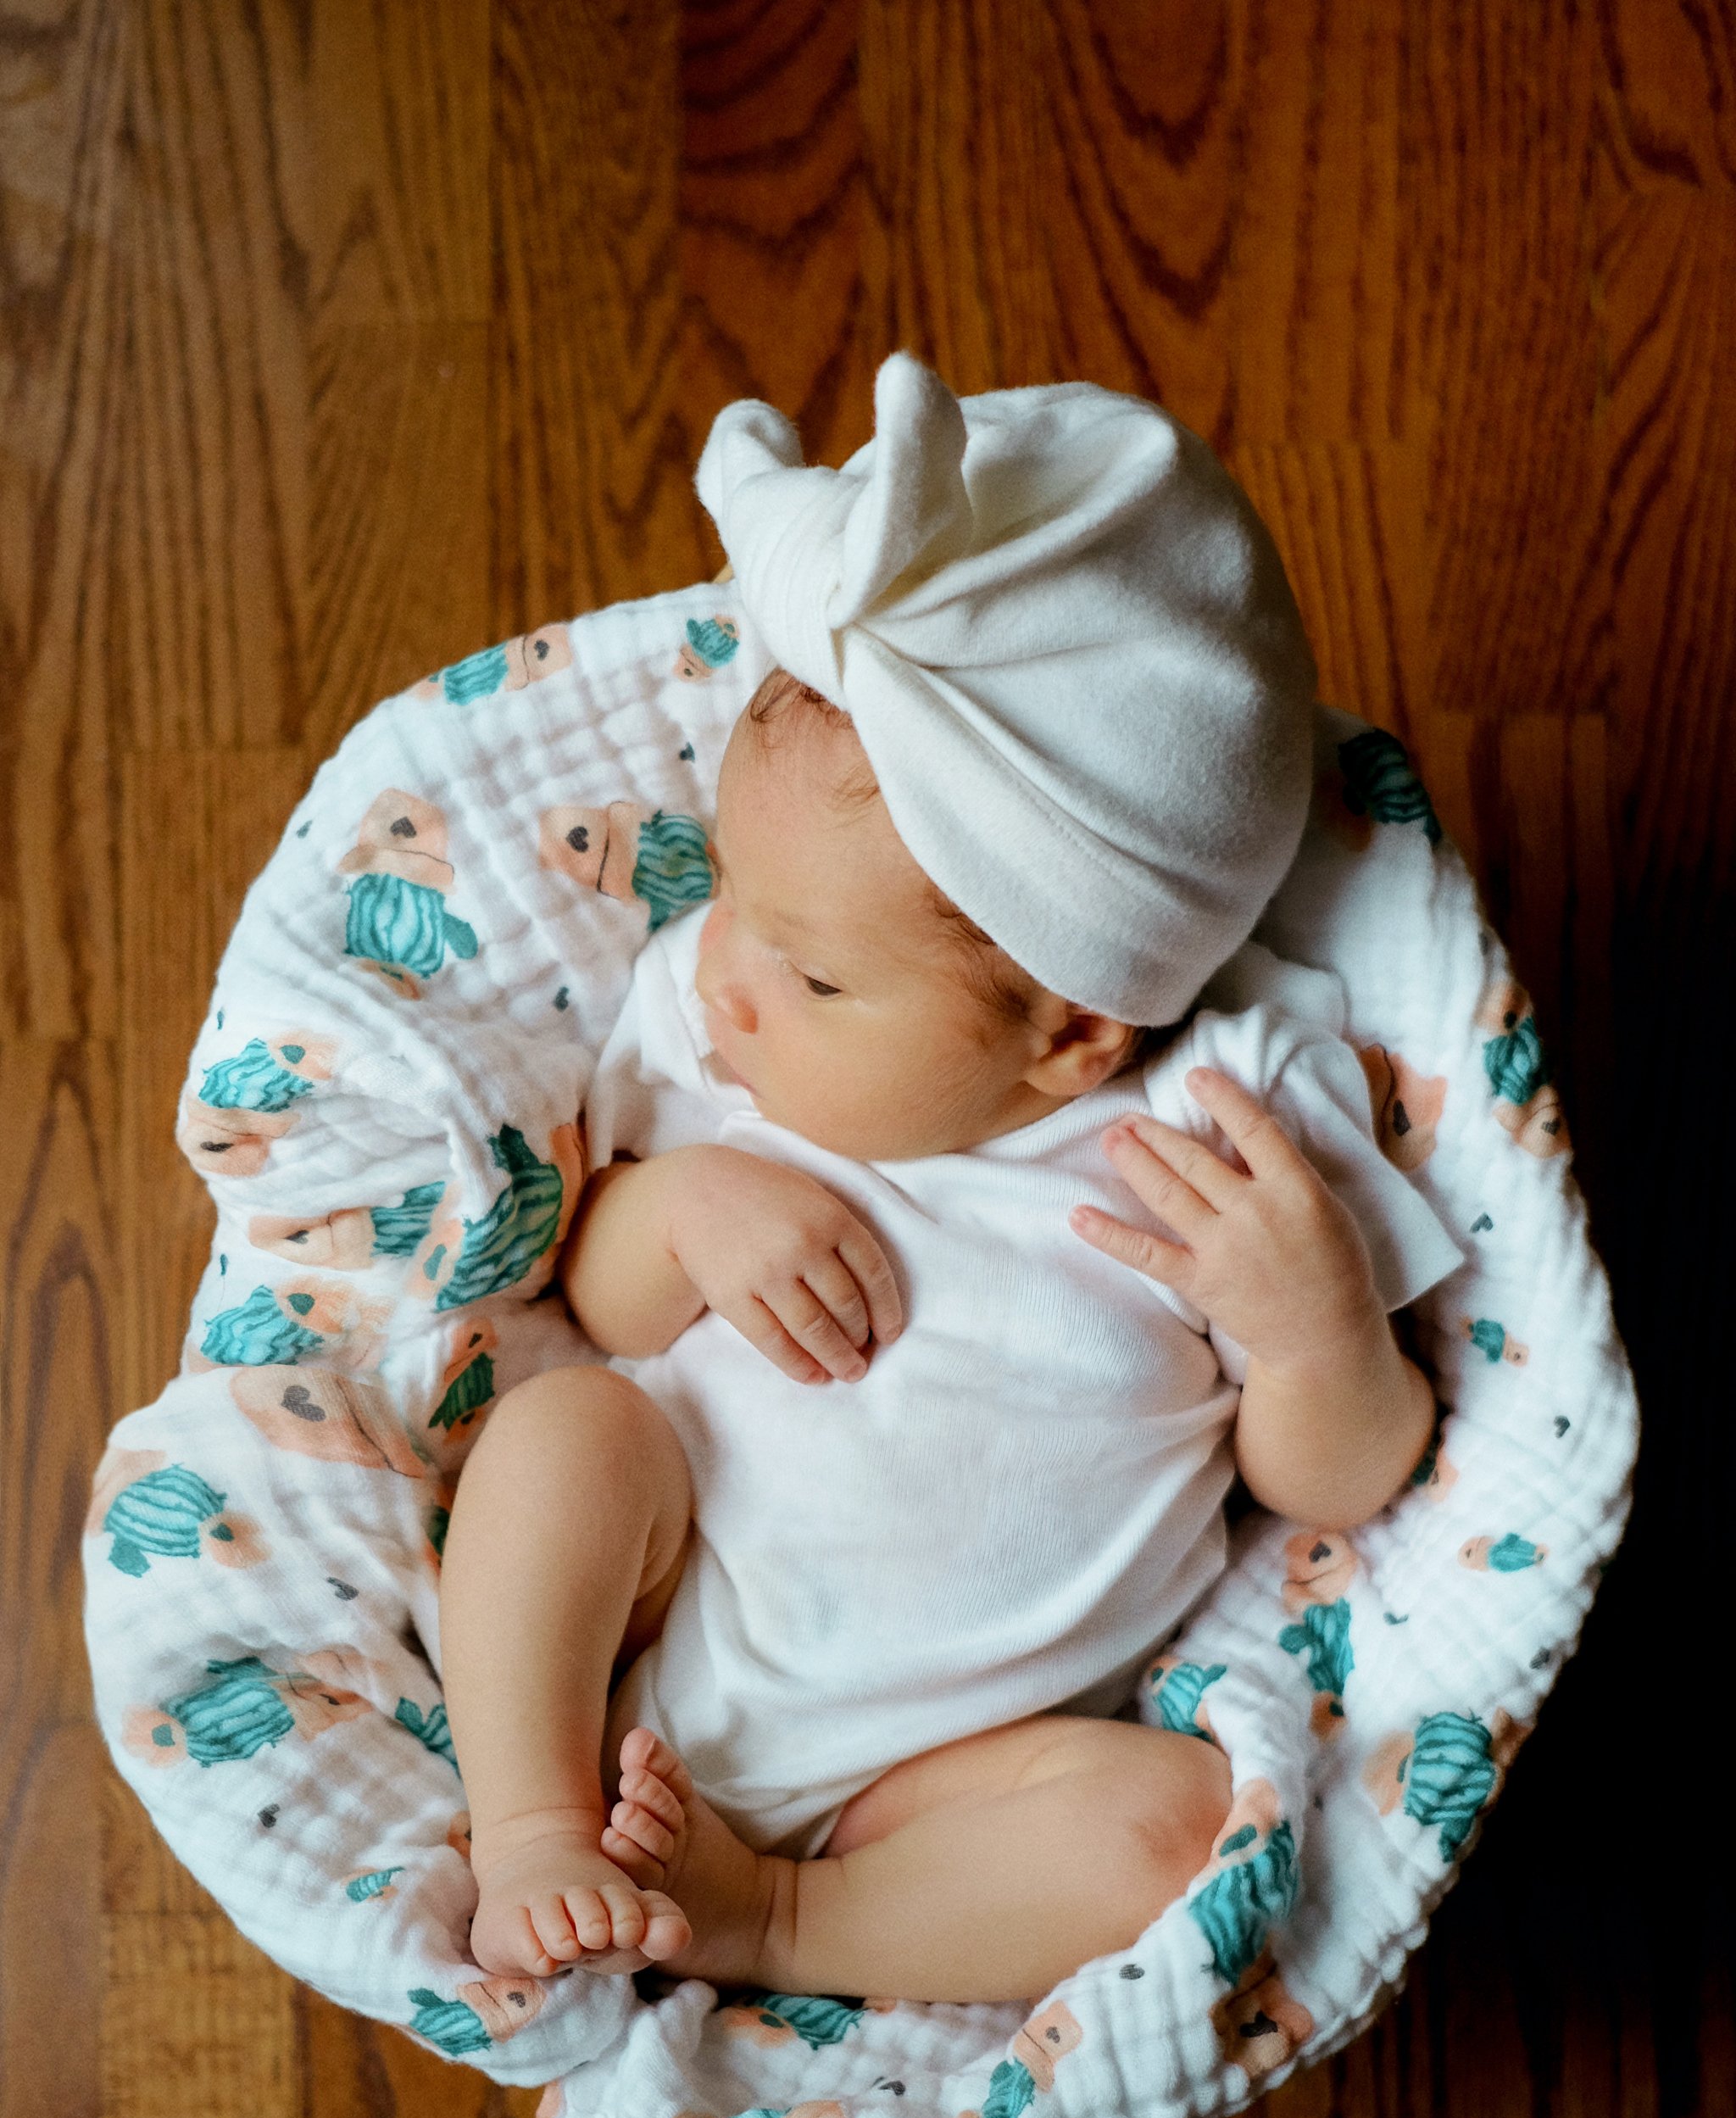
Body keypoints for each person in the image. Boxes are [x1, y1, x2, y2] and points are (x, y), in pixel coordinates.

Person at [436, 354, 1464, 2005]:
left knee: (1176, 1830)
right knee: (567, 1435)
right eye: (735, 896)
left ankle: (781, 1919)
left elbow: (1339, 1482)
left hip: (948, 1773)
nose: (728, 975)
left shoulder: (1230, 1120)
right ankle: (534, 1827)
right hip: (660, 1599)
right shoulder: (732, 1035)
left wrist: (1316, 1329)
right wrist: (686, 1210)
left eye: (813, 972)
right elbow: (604, 1304)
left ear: (1071, 1034)